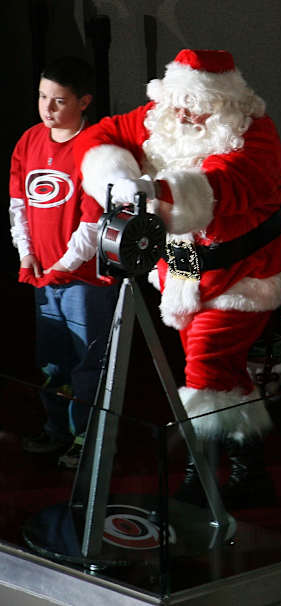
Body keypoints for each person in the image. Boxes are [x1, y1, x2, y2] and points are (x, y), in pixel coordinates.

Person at [74, 49, 281, 506]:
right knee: (224, 370)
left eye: (195, 104)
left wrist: (158, 189)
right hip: (185, 265)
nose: (183, 112)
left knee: (206, 366)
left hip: (244, 274)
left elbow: (226, 184)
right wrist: (117, 174)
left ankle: (201, 479)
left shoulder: (255, 135)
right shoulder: (162, 117)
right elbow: (103, 135)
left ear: (223, 103)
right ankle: (250, 470)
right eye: (178, 100)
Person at [9, 56, 118, 468]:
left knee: (87, 360)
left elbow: (94, 222)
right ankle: (57, 429)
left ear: (83, 101)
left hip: (83, 279)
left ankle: (87, 439)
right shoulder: (29, 140)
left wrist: (64, 266)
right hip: (45, 275)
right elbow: (19, 203)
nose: (47, 108)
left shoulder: (96, 147)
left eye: (58, 101)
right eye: (42, 97)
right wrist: (27, 254)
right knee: (53, 361)